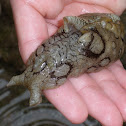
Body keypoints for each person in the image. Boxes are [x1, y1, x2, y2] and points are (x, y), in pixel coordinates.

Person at [10, 0, 126, 125]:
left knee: (73, 49)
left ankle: (36, 78)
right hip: (94, 30)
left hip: (102, 37)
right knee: (68, 47)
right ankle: (35, 78)